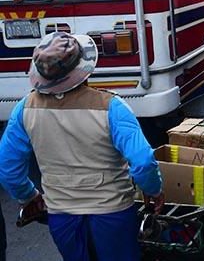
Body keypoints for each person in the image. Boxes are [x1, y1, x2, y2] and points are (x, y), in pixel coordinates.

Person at [0, 32, 163, 260]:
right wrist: (153, 190)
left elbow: (7, 169)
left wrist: (30, 196)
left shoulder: (24, 109)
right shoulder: (112, 107)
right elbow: (144, 162)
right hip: (113, 214)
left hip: (62, 217)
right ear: (84, 69)